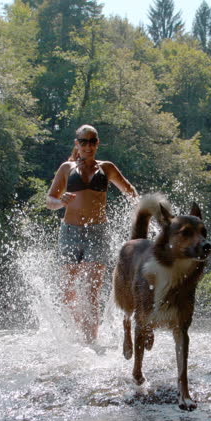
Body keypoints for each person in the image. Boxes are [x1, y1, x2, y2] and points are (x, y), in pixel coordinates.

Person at [46, 124, 138, 343]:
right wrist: (61, 202)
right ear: (77, 144)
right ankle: (80, 330)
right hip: (69, 232)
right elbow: (49, 201)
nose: (88, 146)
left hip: (97, 233)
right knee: (67, 293)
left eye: (92, 141)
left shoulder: (107, 168)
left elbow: (130, 192)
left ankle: (91, 341)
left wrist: (141, 211)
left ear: (98, 143)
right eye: (83, 142)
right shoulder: (66, 168)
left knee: (90, 292)